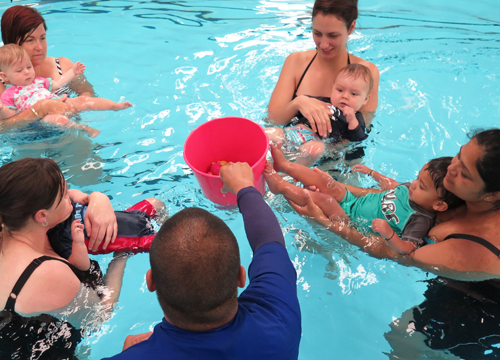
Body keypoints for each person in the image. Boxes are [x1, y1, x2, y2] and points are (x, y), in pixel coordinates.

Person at [288, 129, 500, 357]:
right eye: (459, 154)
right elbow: (403, 199)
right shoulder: (463, 185)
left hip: (481, 298)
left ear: (493, 195)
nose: (452, 167)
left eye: (465, 173)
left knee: (401, 338)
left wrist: (329, 222)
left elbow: (390, 251)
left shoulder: (474, 248)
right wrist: (339, 191)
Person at [102, 162, 301, 360]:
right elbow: (268, 240)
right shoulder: (278, 318)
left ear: (151, 282)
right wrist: (244, 187)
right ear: (241, 277)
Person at [0, 158, 158, 359]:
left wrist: (98, 198)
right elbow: (99, 316)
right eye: (64, 195)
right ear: (41, 216)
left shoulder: (10, 227)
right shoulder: (48, 274)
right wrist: (121, 256)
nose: (70, 196)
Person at [265, 144, 463, 254]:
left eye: (421, 186)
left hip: (348, 218)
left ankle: (280, 185)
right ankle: (285, 166)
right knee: (328, 182)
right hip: (353, 201)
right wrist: (372, 172)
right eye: (418, 177)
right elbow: (391, 185)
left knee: (327, 201)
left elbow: (408, 248)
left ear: (438, 204)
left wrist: (389, 234)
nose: (413, 183)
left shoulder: (419, 219)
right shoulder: (409, 190)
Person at [266, 0, 380, 151]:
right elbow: (272, 120)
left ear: (351, 27)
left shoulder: (367, 73)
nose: (324, 44)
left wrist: (319, 151)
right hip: (290, 142)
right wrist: (298, 103)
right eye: (317, 33)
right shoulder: (296, 62)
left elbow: (359, 135)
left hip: (334, 158)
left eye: (333, 35)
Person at [0, 44, 132, 137]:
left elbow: (58, 83)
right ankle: (85, 129)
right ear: (5, 76)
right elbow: (11, 115)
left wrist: (72, 72)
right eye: (19, 70)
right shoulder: (9, 93)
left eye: (29, 66)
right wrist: (2, 109)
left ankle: (114, 106)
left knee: (84, 100)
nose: (27, 72)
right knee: (59, 120)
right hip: (42, 117)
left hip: (60, 101)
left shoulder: (39, 80)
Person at [0, 5, 96, 127]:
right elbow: (2, 128)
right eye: (30, 40)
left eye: (42, 38)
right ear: (12, 43)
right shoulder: (3, 83)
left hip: (70, 127)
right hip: (30, 141)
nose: (39, 47)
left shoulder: (62, 66)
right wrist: (40, 108)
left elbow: (88, 93)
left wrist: (71, 106)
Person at [266, 63, 371, 166]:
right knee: (270, 132)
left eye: (353, 94)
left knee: (315, 149)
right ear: (332, 88)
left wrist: (352, 120)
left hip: (314, 141)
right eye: (340, 90)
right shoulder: (323, 101)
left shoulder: (357, 118)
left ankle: (292, 171)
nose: (345, 96)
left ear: (365, 99)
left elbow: (358, 139)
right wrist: (304, 100)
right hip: (292, 132)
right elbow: (303, 106)